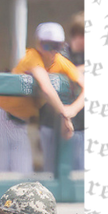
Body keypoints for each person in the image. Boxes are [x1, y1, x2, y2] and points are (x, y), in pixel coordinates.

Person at [0, 22, 81, 173]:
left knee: (24, 180)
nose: (52, 51)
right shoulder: (32, 56)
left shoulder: (60, 61)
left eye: (57, 46)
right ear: (39, 45)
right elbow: (46, 88)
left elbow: (86, 85)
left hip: (21, 124)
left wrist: (72, 110)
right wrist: (64, 115)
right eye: (48, 45)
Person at [39, 12, 85, 172]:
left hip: (80, 125)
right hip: (53, 122)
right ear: (79, 35)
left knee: (79, 178)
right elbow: (54, 74)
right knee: (54, 173)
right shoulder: (59, 51)